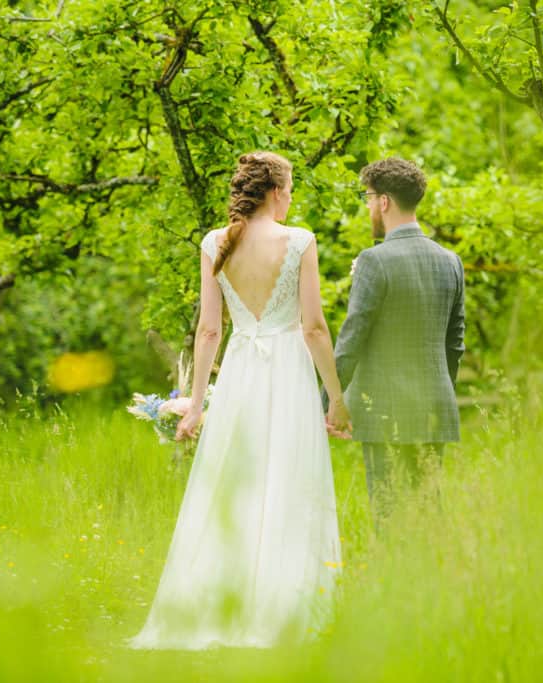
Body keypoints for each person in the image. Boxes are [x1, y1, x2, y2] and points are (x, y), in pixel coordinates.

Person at [127, 152, 350, 650]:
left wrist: (198, 403)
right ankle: (283, 609)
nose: (290, 199)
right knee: (288, 480)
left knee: (232, 484)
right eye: (289, 189)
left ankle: (220, 603)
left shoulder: (215, 243)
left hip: (242, 373)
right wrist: (335, 398)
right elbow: (313, 328)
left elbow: (209, 330)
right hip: (289, 372)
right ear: (276, 191)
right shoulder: (300, 242)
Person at [333, 157, 465, 524]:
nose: (368, 206)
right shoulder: (451, 261)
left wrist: (330, 399)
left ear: (384, 201)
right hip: (435, 407)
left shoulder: (374, 261)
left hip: (385, 409)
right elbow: (455, 345)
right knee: (428, 514)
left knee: (389, 517)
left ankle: (395, 578)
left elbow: (352, 337)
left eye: (368, 198)